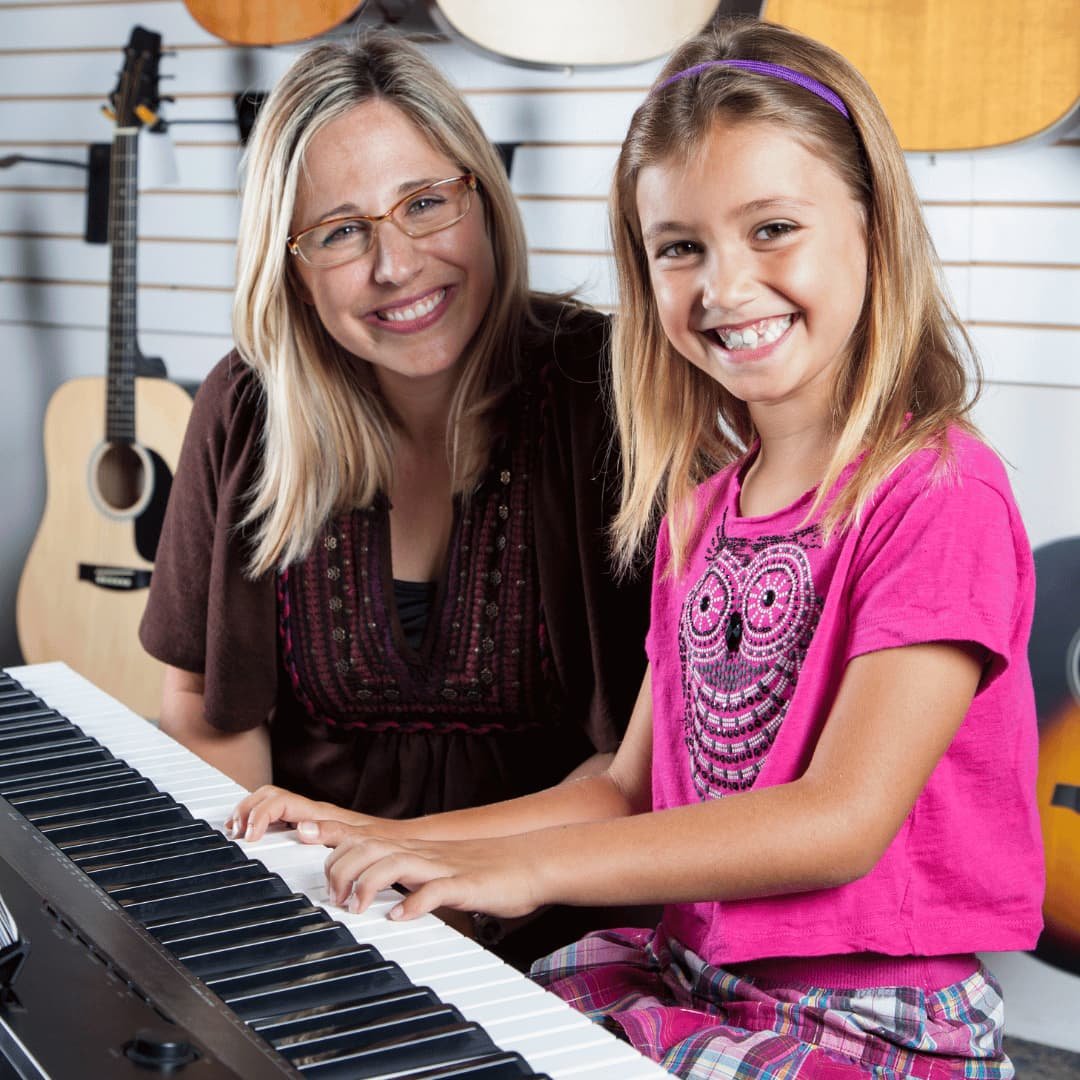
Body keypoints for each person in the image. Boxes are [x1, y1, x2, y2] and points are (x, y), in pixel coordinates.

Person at [227, 18, 1045, 1077]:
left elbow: (841, 820)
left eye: (772, 229)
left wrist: (530, 876)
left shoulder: (936, 491)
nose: (724, 286)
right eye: (680, 248)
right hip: (689, 975)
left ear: (873, 225)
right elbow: (625, 786)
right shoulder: (701, 512)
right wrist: (374, 833)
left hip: (866, 1017)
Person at [138, 31, 651, 968]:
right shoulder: (244, 406)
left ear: (483, 199)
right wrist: (274, 920)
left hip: (564, 926)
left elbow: (645, 767)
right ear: (288, 264)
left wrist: (427, 868)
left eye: (424, 203)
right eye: (339, 231)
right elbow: (212, 712)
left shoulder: (609, 389)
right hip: (315, 910)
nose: (394, 264)